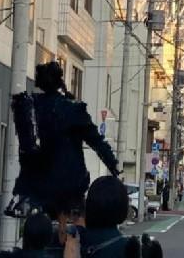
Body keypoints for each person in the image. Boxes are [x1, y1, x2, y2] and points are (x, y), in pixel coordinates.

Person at [12, 61, 119, 222]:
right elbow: (96, 141)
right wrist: (113, 165)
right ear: (59, 81)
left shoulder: (29, 105)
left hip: (36, 183)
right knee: (73, 224)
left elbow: (25, 143)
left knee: (37, 224)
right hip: (69, 182)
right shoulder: (72, 109)